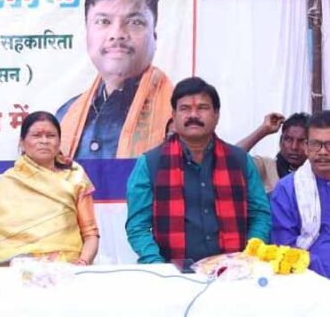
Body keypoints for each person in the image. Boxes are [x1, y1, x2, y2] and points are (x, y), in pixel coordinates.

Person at [125, 77, 271, 264]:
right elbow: (138, 227)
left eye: (202, 108)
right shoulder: (150, 164)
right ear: (173, 115)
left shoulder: (240, 161)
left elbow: (259, 215)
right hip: (171, 273)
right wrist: (159, 266)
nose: (193, 115)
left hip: (234, 272)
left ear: (216, 115)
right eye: (185, 108)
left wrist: (249, 256)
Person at [57, 0, 173, 160]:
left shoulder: (178, 115)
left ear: (154, 36)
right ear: (87, 34)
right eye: (103, 21)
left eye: (135, 22)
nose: (117, 34)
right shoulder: (64, 116)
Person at [0, 111, 99, 264]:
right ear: (22, 143)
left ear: (59, 142)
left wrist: (82, 262)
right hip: (17, 266)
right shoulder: (9, 181)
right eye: (36, 135)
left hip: (67, 267)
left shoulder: (75, 177)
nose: (44, 141)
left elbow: (90, 234)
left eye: (50, 135)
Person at [271, 110, 330, 278]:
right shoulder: (288, 189)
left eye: (329, 144)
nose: (323, 152)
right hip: (309, 278)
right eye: (315, 144)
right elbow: (286, 248)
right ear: (306, 147)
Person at [237, 112, 310, 193]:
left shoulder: (316, 172)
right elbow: (232, 158)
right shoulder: (266, 166)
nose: (294, 147)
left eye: (302, 141)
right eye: (288, 139)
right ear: (281, 141)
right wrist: (264, 130)